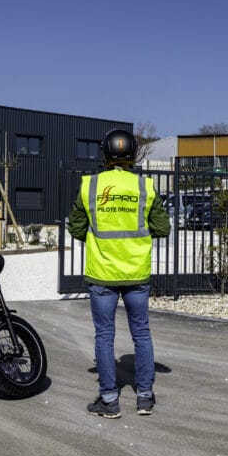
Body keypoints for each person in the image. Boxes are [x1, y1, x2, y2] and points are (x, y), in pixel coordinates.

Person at [67, 128, 171, 418]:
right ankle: (145, 398)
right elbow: (163, 229)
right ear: (133, 154)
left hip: (102, 274)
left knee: (104, 337)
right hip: (137, 273)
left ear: (104, 154)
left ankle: (109, 400)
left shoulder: (89, 186)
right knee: (142, 333)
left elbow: (75, 227)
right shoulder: (145, 187)